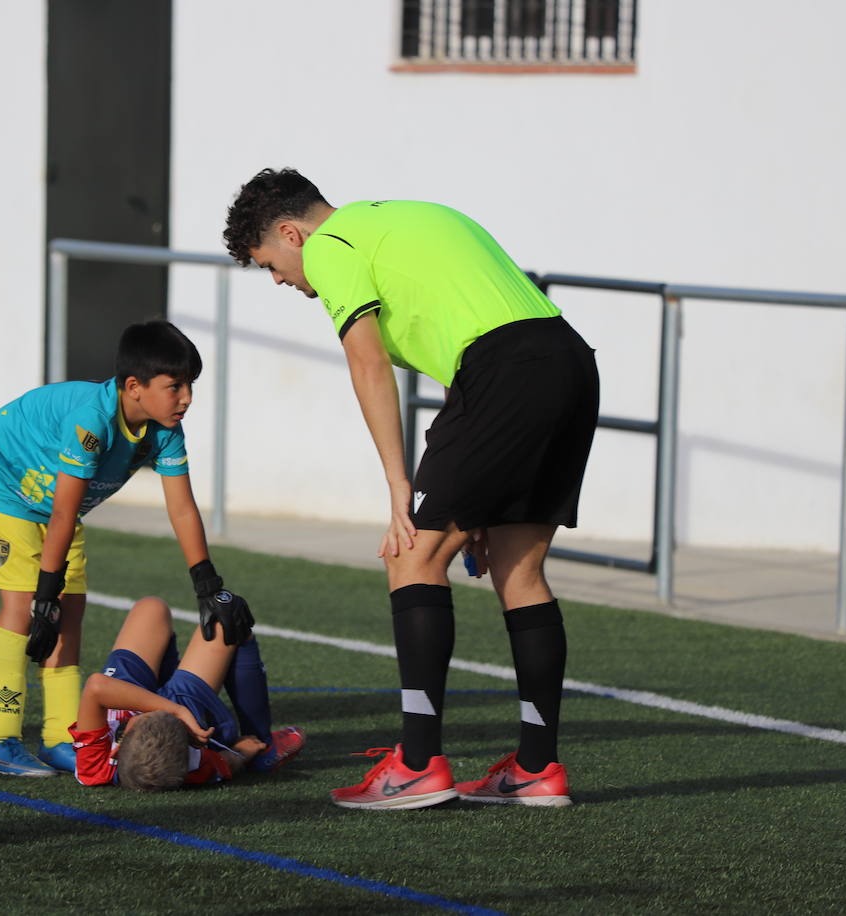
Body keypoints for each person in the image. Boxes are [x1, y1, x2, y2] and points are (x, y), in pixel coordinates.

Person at [223, 169, 599, 809]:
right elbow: (472, 339)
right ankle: (537, 769)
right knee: (519, 570)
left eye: (271, 264)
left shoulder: (332, 245)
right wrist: (475, 497)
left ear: (292, 233)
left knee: (410, 553)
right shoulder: (409, 217)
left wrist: (399, 485)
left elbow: (367, 362)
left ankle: (419, 763)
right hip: (569, 363)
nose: (284, 280)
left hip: (503, 374)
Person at [0, 320, 255, 777]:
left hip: (53, 508)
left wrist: (207, 584)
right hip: (1, 485)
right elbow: (63, 513)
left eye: (190, 386)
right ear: (133, 387)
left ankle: (60, 737)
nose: (187, 398)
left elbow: (182, 510)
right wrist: (43, 594)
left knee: (69, 610)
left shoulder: (165, 429)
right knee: (24, 609)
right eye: (174, 386)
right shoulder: (90, 422)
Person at [71, 596, 304, 789]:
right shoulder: (194, 762)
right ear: (191, 742)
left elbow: (97, 687)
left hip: (123, 693)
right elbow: (228, 762)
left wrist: (173, 711)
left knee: (151, 608)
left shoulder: (95, 768)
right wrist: (243, 753)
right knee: (230, 619)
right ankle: (265, 745)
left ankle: (166, 672)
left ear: (121, 744)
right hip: (187, 709)